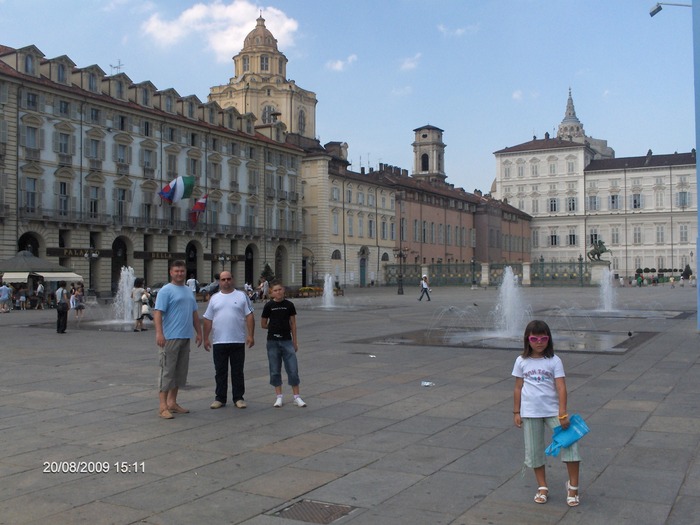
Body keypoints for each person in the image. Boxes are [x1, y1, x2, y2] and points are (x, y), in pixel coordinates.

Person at [512, 320, 581, 507]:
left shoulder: (554, 360)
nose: (539, 342)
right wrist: (516, 411)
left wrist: (563, 412)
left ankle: (573, 486)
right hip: (530, 412)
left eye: (543, 338)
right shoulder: (521, 361)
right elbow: (518, 387)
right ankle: (542, 487)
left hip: (553, 412)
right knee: (534, 452)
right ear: (528, 339)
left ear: (548, 339)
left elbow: (561, 386)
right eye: (534, 338)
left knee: (571, 446)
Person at [154, 260, 203, 419]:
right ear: (171, 272)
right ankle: (162, 406)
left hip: (185, 336)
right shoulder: (165, 291)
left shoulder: (188, 290)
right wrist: (159, 333)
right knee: (167, 371)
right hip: (170, 337)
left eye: (182, 271)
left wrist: (199, 332)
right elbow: (158, 313)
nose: (179, 273)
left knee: (180, 372)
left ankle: (172, 402)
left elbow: (194, 313)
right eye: (176, 271)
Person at [202, 270, 255, 409]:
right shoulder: (214, 298)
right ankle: (220, 398)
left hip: (237, 340)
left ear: (233, 279)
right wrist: (205, 338)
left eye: (228, 279)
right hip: (219, 341)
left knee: (237, 371)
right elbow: (208, 319)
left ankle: (238, 397)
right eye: (223, 279)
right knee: (220, 371)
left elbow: (249, 316)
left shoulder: (242, 296)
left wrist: (251, 335)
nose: (226, 282)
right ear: (219, 281)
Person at [261, 280, 306, 408]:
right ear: (271, 293)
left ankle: (296, 397)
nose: (278, 292)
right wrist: (274, 326)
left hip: (287, 341)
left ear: (283, 291)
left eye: (280, 289)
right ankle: (279, 397)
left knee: (292, 369)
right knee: (275, 369)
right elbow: (263, 324)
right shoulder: (269, 306)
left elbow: (293, 324)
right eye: (275, 290)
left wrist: (295, 341)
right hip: (273, 341)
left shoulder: (289, 305)